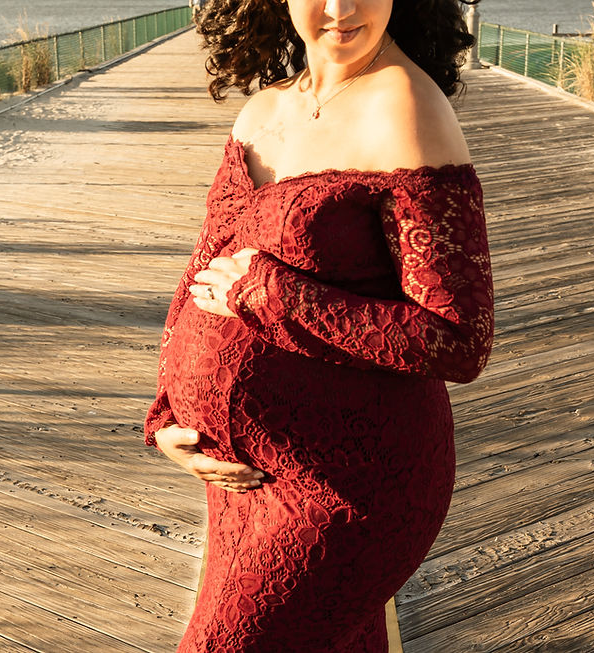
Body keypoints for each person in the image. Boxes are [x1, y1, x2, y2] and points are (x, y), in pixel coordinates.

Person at [143, 0, 492, 650]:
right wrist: (167, 412)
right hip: (246, 479)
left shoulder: (406, 109)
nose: (340, 7)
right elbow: (203, 269)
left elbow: (459, 335)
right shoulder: (265, 109)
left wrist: (273, 297)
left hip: (346, 484)